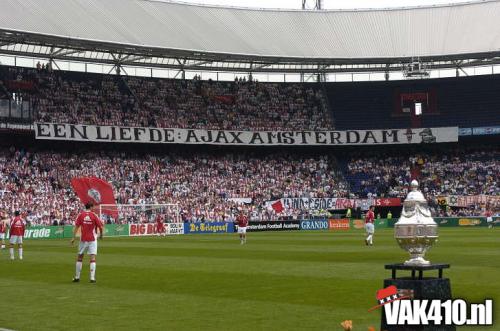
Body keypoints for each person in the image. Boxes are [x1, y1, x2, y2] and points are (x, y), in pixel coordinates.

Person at [71, 203, 103, 283]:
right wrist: (101, 235)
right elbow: (100, 226)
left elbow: (76, 227)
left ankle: (77, 277)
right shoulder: (94, 215)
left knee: (80, 257)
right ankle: (92, 278)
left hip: (83, 239)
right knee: (92, 258)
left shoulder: (81, 215)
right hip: (92, 239)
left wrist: (73, 238)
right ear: (91, 207)